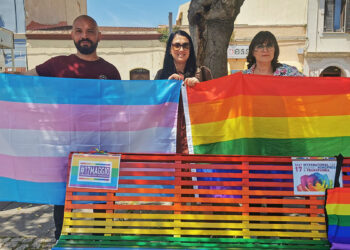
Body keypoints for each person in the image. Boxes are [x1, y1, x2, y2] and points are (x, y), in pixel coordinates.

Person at [22, 15, 121, 240]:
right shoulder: (57, 65)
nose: (84, 36)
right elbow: (23, 82)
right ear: (72, 35)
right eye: (79, 30)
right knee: (63, 199)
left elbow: (119, 109)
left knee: (101, 199)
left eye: (90, 31)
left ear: (99, 36)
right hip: (63, 148)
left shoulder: (111, 71)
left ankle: (100, 242)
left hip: (100, 147)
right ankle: (61, 240)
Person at [155, 30, 212, 154]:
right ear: (170, 50)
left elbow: (213, 106)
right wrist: (165, 87)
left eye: (185, 45)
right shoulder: (161, 75)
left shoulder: (203, 73)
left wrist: (199, 88)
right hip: (170, 139)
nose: (181, 49)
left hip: (196, 139)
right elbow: (153, 109)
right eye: (177, 45)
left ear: (190, 50)